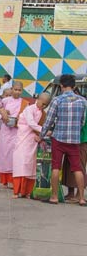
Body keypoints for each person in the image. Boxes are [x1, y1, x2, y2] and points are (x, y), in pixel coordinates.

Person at [41, 74, 87, 205]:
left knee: (56, 166)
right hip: (74, 140)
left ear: (61, 85)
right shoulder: (83, 101)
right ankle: (82, 198)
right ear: (74, 86)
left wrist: (41, 136)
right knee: (77, 168)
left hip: (59, 139)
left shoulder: (57, 100)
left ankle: (54, 197)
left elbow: (48, 121)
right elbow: (82, 122)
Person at [12, 93, 51, 199]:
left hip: (33, 141)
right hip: (23, 139)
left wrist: (41, 134)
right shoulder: (29, 109)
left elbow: (41, 125)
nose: (43, 107)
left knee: (31, 167)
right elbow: (31, 123)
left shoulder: (43, 113)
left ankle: (27, 192)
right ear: (37, 99)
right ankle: (17, 191)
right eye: (43, 104)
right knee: (21, 165)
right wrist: (44, 131)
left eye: (46, 105)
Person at [0, 81, 25, 187]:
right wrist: (4, 115)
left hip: (17, 131)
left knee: (14, 155)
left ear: (22, 91)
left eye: (19, 90)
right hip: (5, 130)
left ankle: (14, 180)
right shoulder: (5, 101)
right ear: (12, 89)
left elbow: (26, 117)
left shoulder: (24, 103)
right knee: (4, 154)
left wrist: (19, 119)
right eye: (15, 89)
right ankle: (4, 180)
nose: (17, 92)